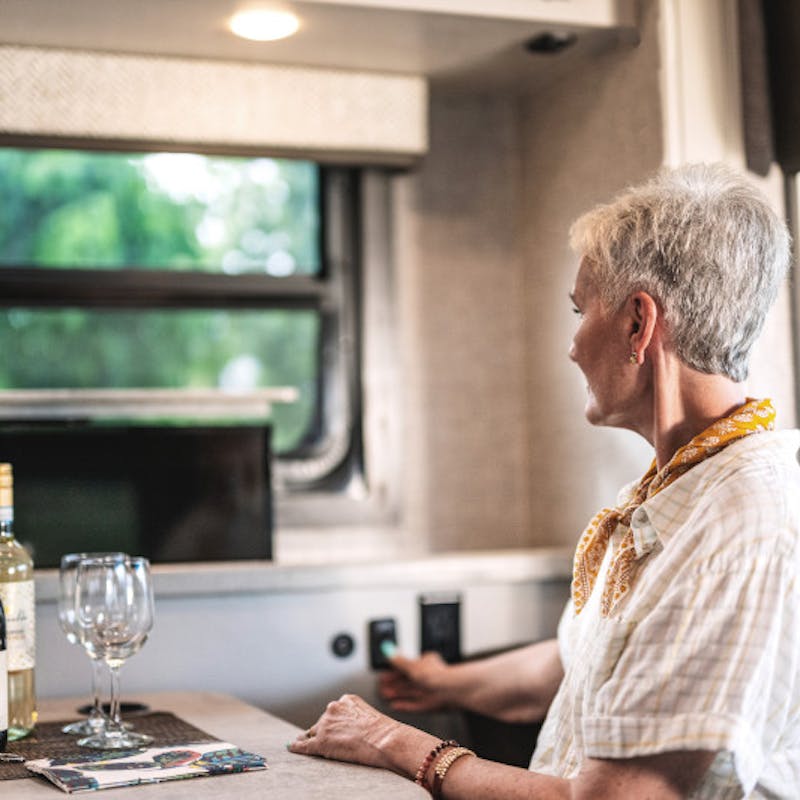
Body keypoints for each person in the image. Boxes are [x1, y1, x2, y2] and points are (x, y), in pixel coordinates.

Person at [289, 163, 800, 799]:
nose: (572, 346)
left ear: (638, 325)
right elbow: (573, 664)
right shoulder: (674, 485)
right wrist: (442, 684)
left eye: (581, 311)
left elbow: (619, 798)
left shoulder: (740, 522)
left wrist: (399, 743)